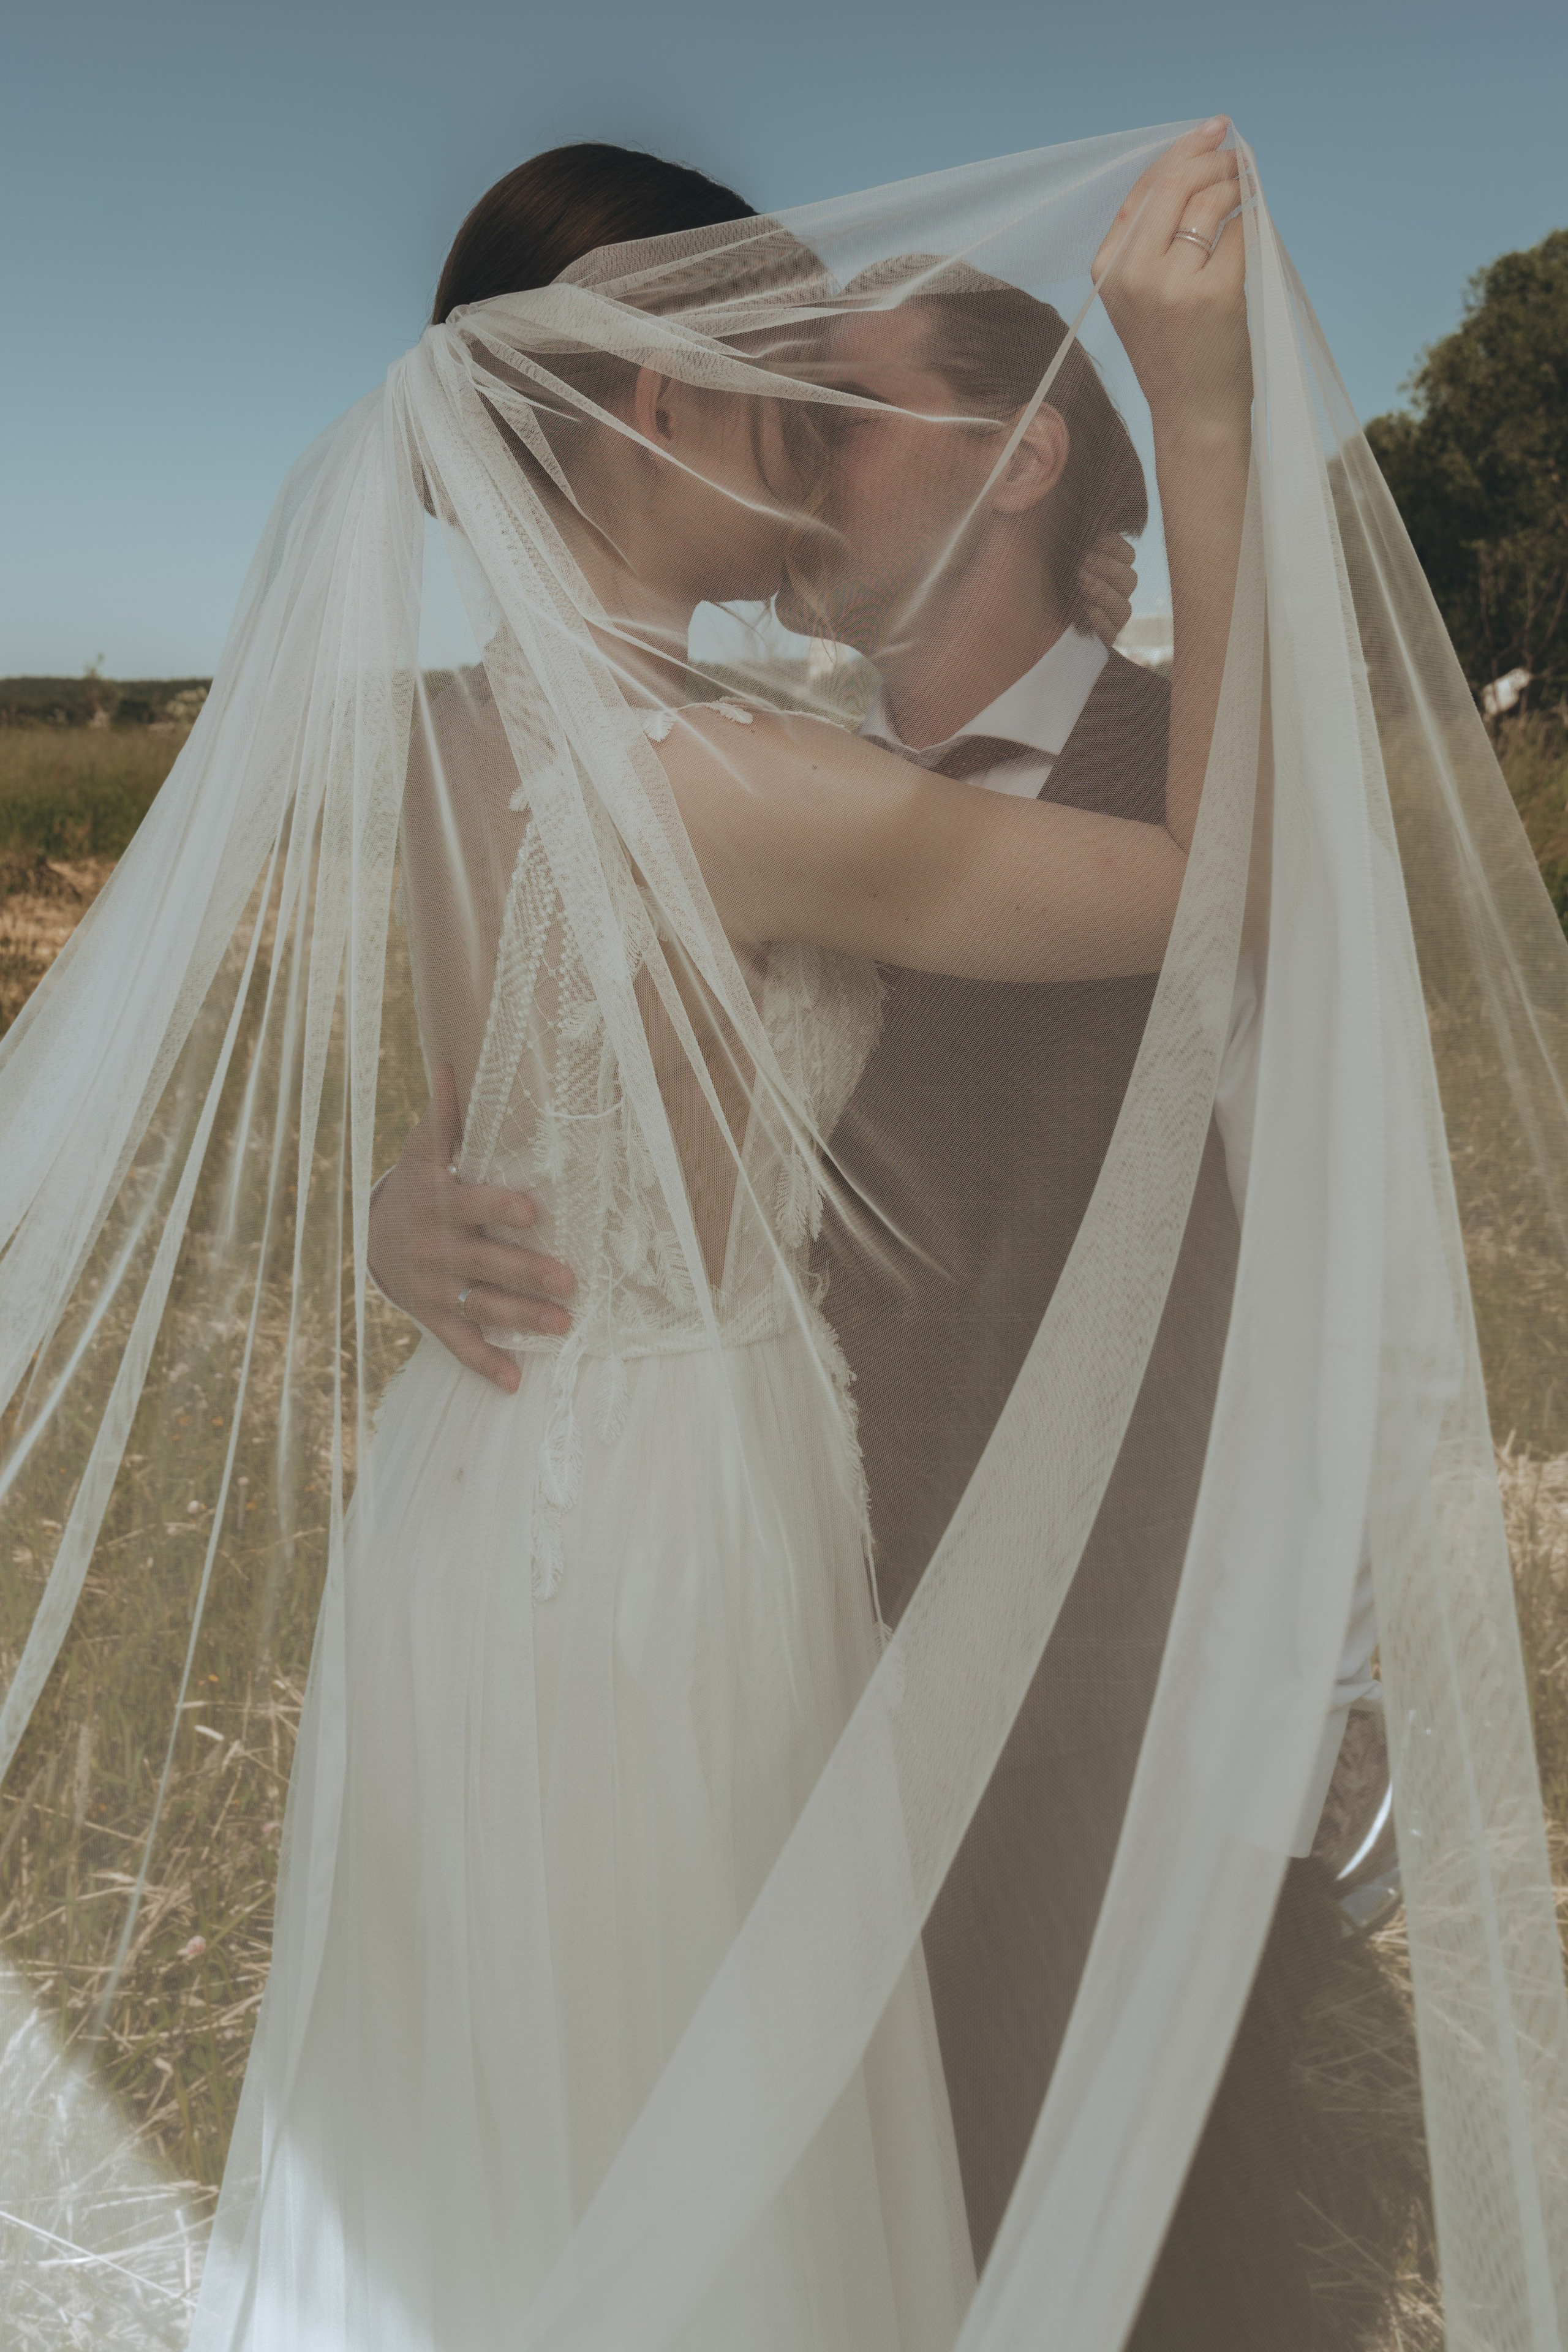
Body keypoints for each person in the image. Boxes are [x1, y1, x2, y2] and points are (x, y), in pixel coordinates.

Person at [178, 123, 1251, 2348]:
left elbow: (491, 1130)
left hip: (474, 1502)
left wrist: (406, 1212)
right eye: (793, 396)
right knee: (693, 2125)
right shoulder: (724, 781)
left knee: (505, 2120)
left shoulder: (463, 740)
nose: (822, 454)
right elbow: (1207, 898)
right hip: (673, 1523)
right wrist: (1213, 410)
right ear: (662, 403)